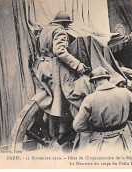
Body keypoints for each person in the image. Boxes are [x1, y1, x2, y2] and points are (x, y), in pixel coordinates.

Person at [36, 11, 89, 144]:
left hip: (42, 66)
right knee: (63, 99)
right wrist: (77, 65)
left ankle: (52, 133)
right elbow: (59, 51)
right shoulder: (60, 31)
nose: (66, 27)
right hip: (54, 67)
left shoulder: (44, 30)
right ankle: (62, 133)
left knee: (50, 100)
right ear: (64, 23)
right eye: (66, 25)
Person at [73, 66, 132, 153]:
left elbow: (78, 126)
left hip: (100, 141)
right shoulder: (125, 92)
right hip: (124, 140)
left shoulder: (90, 99)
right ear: (108, 79)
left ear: (94, 81)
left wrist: (92, 123)